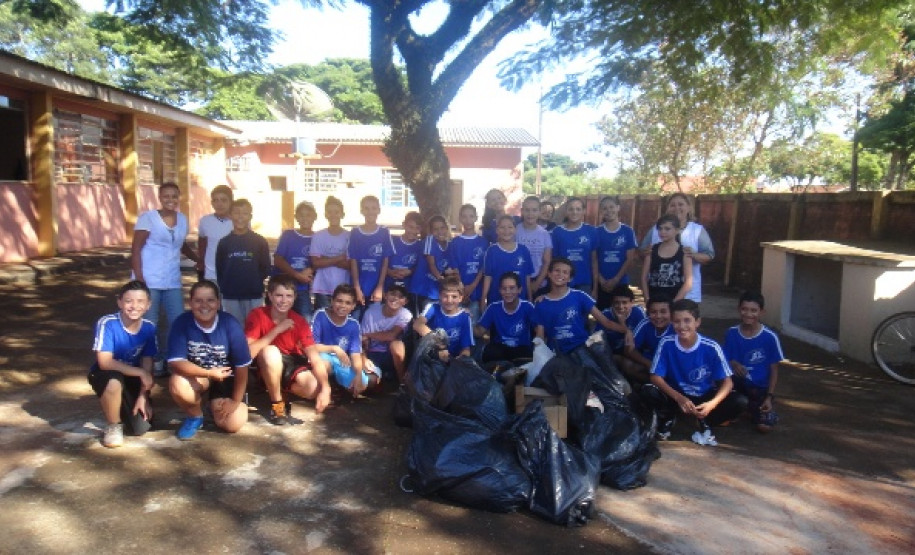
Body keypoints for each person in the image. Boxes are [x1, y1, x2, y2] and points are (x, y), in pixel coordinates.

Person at [642, 299, 742, 446]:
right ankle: (669, 416)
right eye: (677, 321)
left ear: (697, 322)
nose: (682, 326)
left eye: (687, 320)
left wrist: (711, 404)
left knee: (739, 402)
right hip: (676, 395)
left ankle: (704, 418)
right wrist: (679, 398)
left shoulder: (711, 347)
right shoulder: (666, 343)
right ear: (672, 322)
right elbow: (655, 377)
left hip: (703, 395)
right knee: (648, 391)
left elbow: (727, 382)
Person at [534, 258, 632, 401]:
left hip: (581, 349)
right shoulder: (541, 303)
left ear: (570, 278)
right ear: (549, 273)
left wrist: (626, 330)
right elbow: (540, 337)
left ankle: (621, 400)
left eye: (565, 272)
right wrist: (540, 356)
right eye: (556, 270)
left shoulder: (579, 296)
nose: (560, 274)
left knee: (601, 382)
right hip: (558, 354)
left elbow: (605, 321)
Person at [168, 280, 251, 441]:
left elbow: (242, 366)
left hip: (226, 377)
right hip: (200, 375)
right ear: (190, 302)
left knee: (232, 424)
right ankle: (195, 416)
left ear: (218, 303)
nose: (204, 305)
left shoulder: (230, 323)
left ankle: (213, 404)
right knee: (178, 383)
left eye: (210, 300)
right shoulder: (182, 323)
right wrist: (208, 373)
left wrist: (235, 400)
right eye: (198, 300)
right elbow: (176, 362)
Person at [130, 181, 198, 376]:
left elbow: (181, 244)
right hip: (149, 279)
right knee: (151, 323)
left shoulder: (183, 219)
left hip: (172, 279)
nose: (170, 200)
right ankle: (153, 360)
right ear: (160, 198)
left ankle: (172, 358)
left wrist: (197, 259)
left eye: (174, 196)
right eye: (166, 196)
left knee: (177, 320)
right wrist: (140, 280)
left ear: (179, 198)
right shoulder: (148, 219)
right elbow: (136, 249)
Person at [245, 275, 331, 425]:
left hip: (290, 361)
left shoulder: (299, 320)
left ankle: (281, 390)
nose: (284, 301)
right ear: (270, 296)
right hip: (265, 362)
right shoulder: (257, 314)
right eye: (279, 295)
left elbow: (314, 357)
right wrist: (277, 330)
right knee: (270, 352)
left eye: (288, 296)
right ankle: (277, 405)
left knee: (313, 387)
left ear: (295, 297)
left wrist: (325, 388)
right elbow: (247, 354)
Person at [88, 280, 157, 448]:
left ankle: (117, 404)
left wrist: (143, 395)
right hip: (106, 373)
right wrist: (141, 373)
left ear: (148, 305)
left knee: (140, 427)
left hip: (131, 375)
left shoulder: (149, 327)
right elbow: (104, 362)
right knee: (113, 383)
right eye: (128, 301)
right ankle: (113, 426)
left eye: (140, 301)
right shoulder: (107, 323)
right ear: (119, 302)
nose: (134, 306)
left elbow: (148, 362)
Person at [723, 291, 785, 433]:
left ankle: (761, 408)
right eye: (744, 309)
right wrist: (734, 363)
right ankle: (741, 407)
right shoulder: (731, 333)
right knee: (724, 418)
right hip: (737, 383)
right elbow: (724, 360)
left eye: (753, 310)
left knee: (763, 427)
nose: (748, 314)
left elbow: (774, 370)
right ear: (739, 309)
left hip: (759, 388)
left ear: (761, 312)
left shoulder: (770, 337)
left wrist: (769, 396)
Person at [640, 193, 714, 302]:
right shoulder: (656, 229)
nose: (677, 208)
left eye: (681, 204)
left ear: (689, 208)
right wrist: (646, 252)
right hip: (657, 292)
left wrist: (693, 255)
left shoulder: (697, 230)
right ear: (667, 208)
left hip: (688, 294)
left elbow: (709, 255)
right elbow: (642, 251)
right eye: (672, 205)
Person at [312, 284, 378, 397]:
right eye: (339, 301)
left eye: (348, 303)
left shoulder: (353, 324)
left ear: (353, 306)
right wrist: (334, 348)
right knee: (324, 365)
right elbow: (312, 346)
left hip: (342, 360)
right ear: (332, 301)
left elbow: (355, 352)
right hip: (324, 355)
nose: (342, 305)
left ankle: (338, 386)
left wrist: (357, 374)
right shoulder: (321, 315)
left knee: (370, 381)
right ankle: (326, 388)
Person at [215, 198, 271, 326]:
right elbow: (220, 268)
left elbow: (265, 268)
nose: (240, 217)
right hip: (231, 295)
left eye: (245, 213)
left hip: (253, 294)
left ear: (250, 216)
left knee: (254, 328)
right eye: (236, 213)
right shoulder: (224, 243)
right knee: (234, 328)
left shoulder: (259, 241)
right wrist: (226, 286)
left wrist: (253, 281)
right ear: (230, 215)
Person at [475, 272, 539, 363]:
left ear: (519, 290)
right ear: (499, 290)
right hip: (500, 348)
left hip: (521, 349)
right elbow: (479, 332)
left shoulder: (527, 307)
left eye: (512, 288)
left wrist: (538, 350)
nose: (508, 292)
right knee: (489, 352)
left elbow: (539, 330)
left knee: (528, 356)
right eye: (504, 289)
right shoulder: (493, 307)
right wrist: (465, 319)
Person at [348, 195, 394, 320]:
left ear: (379, 210)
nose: (370, 212)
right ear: (361, 211)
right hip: (359, 288)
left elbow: (385, 261)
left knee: (373, 323)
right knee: (356, 320)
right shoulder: (355, 232)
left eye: (373, 208)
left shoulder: (384, 232)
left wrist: (379, 287)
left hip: (376, 289)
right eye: (366, 208)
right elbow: (353, 261)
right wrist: (357, 288)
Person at [273, 200, 317, 319]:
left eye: (308, 215)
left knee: (305, 320)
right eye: (301, 215)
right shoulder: (288, 235)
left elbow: (318, 262)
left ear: (315, 217)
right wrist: (297, 275)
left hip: (302, 290)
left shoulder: (318, 237)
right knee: (279, 320)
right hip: (283, 287)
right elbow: (278, 259)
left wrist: (311, 270)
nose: (305, 218)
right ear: (296, 217)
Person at [413, 275, 474, 360]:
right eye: (445, 296)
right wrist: (440, 344)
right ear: (440, 296)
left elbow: (466, 349)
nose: (449, 300)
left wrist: (459, 361)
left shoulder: (465, 317)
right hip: (432, 354)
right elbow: (417, 324)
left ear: (461, 298)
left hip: (454, 359)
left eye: (454, 297)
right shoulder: (433, 307)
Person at [360, 284, 413, 384]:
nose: (395, 298)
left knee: (396, 344)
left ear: (405, 302)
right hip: (373, 353)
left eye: (401, 296)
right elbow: (363, 339)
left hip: (391, 355)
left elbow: (391, 335)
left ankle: (402, 382)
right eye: (393, 294)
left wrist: (369, 334)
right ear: (385, 295)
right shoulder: (370, 312)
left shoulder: (406, 314)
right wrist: (364, 358)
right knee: (370, 382)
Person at [481, 214, 534, 312]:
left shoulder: (523, 250)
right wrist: (483, 300)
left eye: (510, 227)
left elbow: (527, 277)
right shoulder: (492, 251)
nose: (506, 231)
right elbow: (488, 278)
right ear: (497, 230)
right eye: (502, 227)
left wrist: (530, 298)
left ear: (515, 229)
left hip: (519, 301)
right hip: (497, 301)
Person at [550, 197, 598, 298]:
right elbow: (554, 261)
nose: (574, 212)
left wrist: (595, 288)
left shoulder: (591, 231)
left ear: (584, 211)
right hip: (562, 283)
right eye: (571, 209)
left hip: (584, 283)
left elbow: (594, 261)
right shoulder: (557, 232)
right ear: (566, 211)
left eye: (578, 209)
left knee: (583, 313)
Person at [595, 196, 637, 310]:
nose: (608, 210)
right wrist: (601, 279)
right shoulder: (597, 232)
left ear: (618, 208)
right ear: (601, 211)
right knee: (604, 315)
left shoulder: (628, 231)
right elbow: (593, 259)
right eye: (604, 208)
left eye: (611, 207)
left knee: (621, 313)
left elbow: (630, 258)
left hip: (621, 282)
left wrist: (616, 279)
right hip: (602, 283)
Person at [448, 204, 488, 323]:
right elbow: (455, 267)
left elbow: (483, 268)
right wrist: (462, 287)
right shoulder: (455, 242)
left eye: (471, 216)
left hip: (476, 292)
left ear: (476, 218)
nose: (468, 220)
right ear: (460, 218)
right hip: (459, 292)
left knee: (473, 324)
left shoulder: (484, 242)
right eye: (464, 216)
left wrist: (472, 286)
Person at [622, 296, 675, 384]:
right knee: (626, 364)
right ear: (648, 313)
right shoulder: (645, 323)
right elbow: (628, 350)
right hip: (651, 361)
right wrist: (648, 363)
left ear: (671, 313)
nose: (658, 316)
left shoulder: (676, 327)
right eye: (653, 312)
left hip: (670, 364)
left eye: (663, 312)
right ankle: (652, 386)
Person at [310, 196, 351, 311]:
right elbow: (316, 263)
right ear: (325, 214)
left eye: (336, 212)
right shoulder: (318, 236)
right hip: (322, 288)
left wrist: (325, 259)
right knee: (323, 322)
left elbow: (350, 265)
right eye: (329, 212)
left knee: (341, 322)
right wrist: (340, 257)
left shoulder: (349, 236)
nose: (333, 215)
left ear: (342, 214)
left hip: (344, 289)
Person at [641, 214, 693, 303]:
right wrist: (647, 299)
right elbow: (643, 278)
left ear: (677, 230)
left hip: (674, 300)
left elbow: (688, 282)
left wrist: (676, 301)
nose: (662, 232)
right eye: (660, 229)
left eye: (667, 229)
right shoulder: (651, 250)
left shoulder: (684, 252)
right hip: (654, 300)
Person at [409, 214, 452, 314]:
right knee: (421, 320)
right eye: (435, 229)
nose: (440, 231)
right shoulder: (429, 240)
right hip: (422, 290)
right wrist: (442, 280)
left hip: (437, 291)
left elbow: (449, 267)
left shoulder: (450, 244)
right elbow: (431, 264)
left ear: (447, 228)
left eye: (442, 228)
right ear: (431, 231)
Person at [196, 185, 234, 281]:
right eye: (215, 200)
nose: (219, 204)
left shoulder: (239, 222)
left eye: (223, 200)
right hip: (211, 275)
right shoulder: (205, 221)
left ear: (231, 201)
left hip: (233, 274)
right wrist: (201, 261)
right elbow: (202, 242)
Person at [516, 195, 552, 294]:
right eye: (527, 210)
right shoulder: (514, 231)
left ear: (539, 212)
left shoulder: (545, 234)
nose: (530, 214)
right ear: (522, 211)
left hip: (539, 283)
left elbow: (546, 261)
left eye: (534, 210)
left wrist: (537, 283)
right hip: (517, 282)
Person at [599, 284, 647, 357]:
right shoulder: (605, 315)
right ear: (612, 304)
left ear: (632, 303)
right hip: (612, 354)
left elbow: (635, 344)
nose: (620, 306)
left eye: (624, 302)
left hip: (634, 351)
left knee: (629, 365)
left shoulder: (638, 312)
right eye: (617, 303)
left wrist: (622, 323)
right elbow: (597, 342)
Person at [386, 211, 424, 290]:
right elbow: (380, 261)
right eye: (410, 227)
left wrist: (410, 271)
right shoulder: (391, 241)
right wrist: (389, 271)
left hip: (409, 289)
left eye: (417, 228)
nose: (413, 231)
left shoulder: (421, 246)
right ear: (404, 225)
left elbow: (421, 267)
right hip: (388, 287)